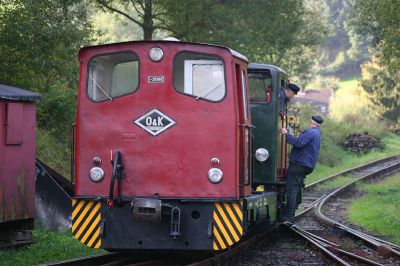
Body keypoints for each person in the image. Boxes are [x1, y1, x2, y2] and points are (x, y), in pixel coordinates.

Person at [280, 115, 323, 224]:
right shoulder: (317, 133)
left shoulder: (311, 133)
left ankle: (289, 217)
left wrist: (286, 134)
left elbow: (299, 143)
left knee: (291, 190)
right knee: (297, 188)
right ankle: (292, 211)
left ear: (311, 122)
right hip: (307, 165)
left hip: (299, 164)